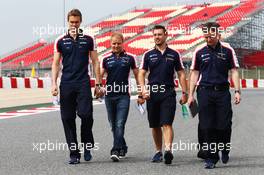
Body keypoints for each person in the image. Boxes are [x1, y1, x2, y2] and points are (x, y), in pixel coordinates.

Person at [51, 9, 103, 164]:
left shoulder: (88, 39)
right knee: (67, 118)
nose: (74, 24)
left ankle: (87, 144)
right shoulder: (60, 40)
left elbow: (95, 61)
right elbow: (55, 63)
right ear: (68, 22)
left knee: (86, 115)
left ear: (81, 22)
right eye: (71, 22)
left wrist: (98, 83)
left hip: (83, 83)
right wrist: (54, 83)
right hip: (66, 83)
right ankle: (74, 153)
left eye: (76, 21)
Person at [187, 22, 241, 169]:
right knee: (206, 125)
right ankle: (211, 157)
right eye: (206, 36)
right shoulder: (199, 51)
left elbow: (234, 71)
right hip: (204, 91)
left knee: (224, 124)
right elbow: (194, 74)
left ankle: (224, 148)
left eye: (211, 35)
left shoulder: (228, 50)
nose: (208, 38)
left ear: (218, 35)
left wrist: (237, 91)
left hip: (223, 92)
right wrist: (190, 95)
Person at [137, 25, 188, 165]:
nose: (157, 37)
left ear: (166, 35)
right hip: (152, 93)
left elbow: (181, 73)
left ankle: (168, 150)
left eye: (159, 34)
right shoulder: (148, 55)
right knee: (154, 125)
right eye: (155, 35)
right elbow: (141, 73)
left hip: (168, 92)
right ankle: (158, 151)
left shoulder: (174, 54)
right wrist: (143, 90)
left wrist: (185, 93)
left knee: (167, 122)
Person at [100, 32, 139, 162]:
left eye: (118, 43)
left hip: (123, 96)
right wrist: (99, 87)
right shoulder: (105, 59)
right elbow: (100, 76)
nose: (116, 45)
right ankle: (123, 146)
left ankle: (115, 149)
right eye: (114, 43)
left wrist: (140, 92)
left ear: (123, 43)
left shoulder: (130, 58)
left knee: (120, 123)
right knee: (113, 125)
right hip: (109, 96)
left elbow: (138, 75)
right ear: (110, 44)